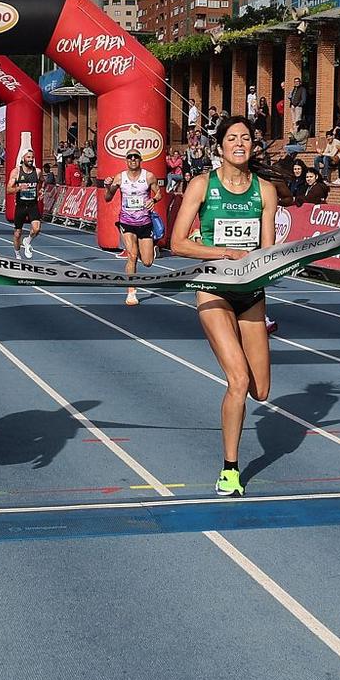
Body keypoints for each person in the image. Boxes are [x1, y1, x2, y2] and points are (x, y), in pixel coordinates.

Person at [169, 116, 278, 497]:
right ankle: (230, 469)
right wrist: (224, 253)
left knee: (261, 391)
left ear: (252, 146)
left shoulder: (265, 190)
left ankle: (246, 365)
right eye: (232, 138)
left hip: (250, 292)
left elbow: (267, 250)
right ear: (219, 147)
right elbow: (177, 243)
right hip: (213, 289)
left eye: (245, 138)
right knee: (239, 381)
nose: (239, 143)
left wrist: (268, 265)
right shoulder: (202, 185)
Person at [105, 150, 160, 305]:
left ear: (140, 160)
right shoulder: (120, 177)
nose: (133, 159)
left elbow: (159, 193)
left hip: (145, 223)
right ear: (126, 161)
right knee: (132, 255)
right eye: (130, 157)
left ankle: (149, 251)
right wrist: (107, 186)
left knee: (148, 262)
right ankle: (131, 292)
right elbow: (108, 198)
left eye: (136, 157)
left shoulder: (148, 176)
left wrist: (154, 200)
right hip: (127, 222)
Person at [10, 153, 44, 258]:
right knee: (17, 233)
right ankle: (17, 255)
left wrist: (40, 190)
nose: (30, 159)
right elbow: (8, 190)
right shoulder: (16, 172)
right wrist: (19, 188)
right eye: (28, 157)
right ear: (23, 158)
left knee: (37, 229)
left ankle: (27, 240)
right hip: (20, 206)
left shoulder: (37, 172)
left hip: (32, 205)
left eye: (32, 157)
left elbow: (42, 181)